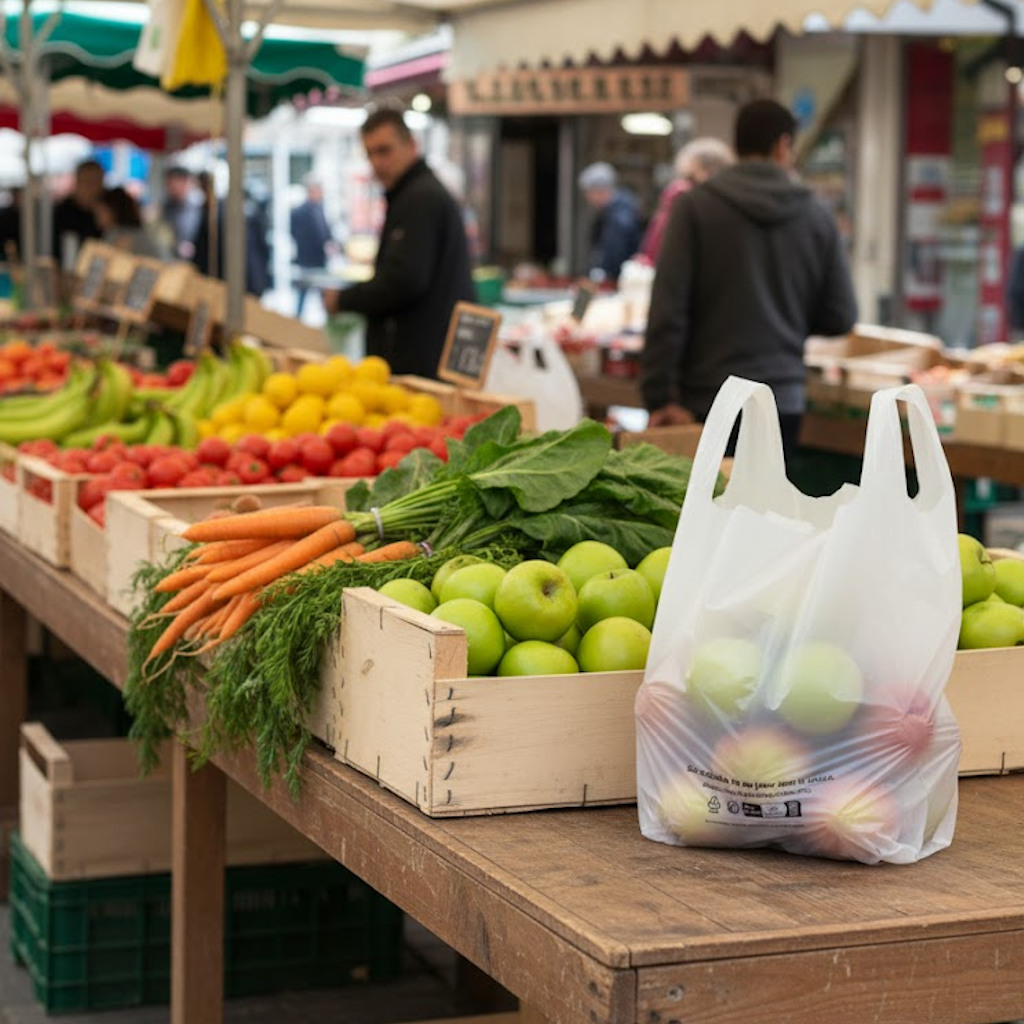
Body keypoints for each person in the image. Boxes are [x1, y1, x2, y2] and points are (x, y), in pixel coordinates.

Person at [641, 99, 858, 458]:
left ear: (736, 145)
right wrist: (788, 316)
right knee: (766, 496)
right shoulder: (817, 216)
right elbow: (840, 316)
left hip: (708, 399)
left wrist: (659, 396)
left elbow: (667, 310)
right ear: (782, 146)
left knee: (707, 494)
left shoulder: (694, 208)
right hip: (781, 400)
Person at [324, 108, 475, 379]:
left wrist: (344, 299)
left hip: (422, 366)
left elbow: (404, 280)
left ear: (412, 146)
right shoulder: (413, 194)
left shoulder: (420, 199)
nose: (377, 162)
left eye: (385, 151)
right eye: (370, 154)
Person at [638, 137, 734, 264]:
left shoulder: (724, 210)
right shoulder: (679, 195)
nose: (682, 185)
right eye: (686, 178)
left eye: (691, 179)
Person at [577, 161, 643, 284]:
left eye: (588, 193)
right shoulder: (614, 211)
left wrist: (603, 274)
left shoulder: (620, 215)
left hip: (616, 281)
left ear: (599, 190)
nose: (588, 198)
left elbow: (616, 252)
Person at [290, 177, 334, 317]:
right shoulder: (301, 212)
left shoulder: (318, 209)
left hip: (318, 259)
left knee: (322, 294)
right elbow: (298, 234)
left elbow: (325, 232)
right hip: (308, 259)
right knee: (304, 293)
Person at [95, 186, 171, 261]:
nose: (97, 216)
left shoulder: (117, 234)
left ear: (114, 211)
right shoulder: (140, 232)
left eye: (100, 212)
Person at [52, 159, 104, 264]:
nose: (93, 188)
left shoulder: (107, 213)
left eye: (97, 182)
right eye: (88, 182)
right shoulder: (62, 213)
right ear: (77, 182)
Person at [160, 165, 201, 260]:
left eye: (172, 183)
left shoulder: (199, 207)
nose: (169, 188)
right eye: (167, 184)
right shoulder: (166, 206)